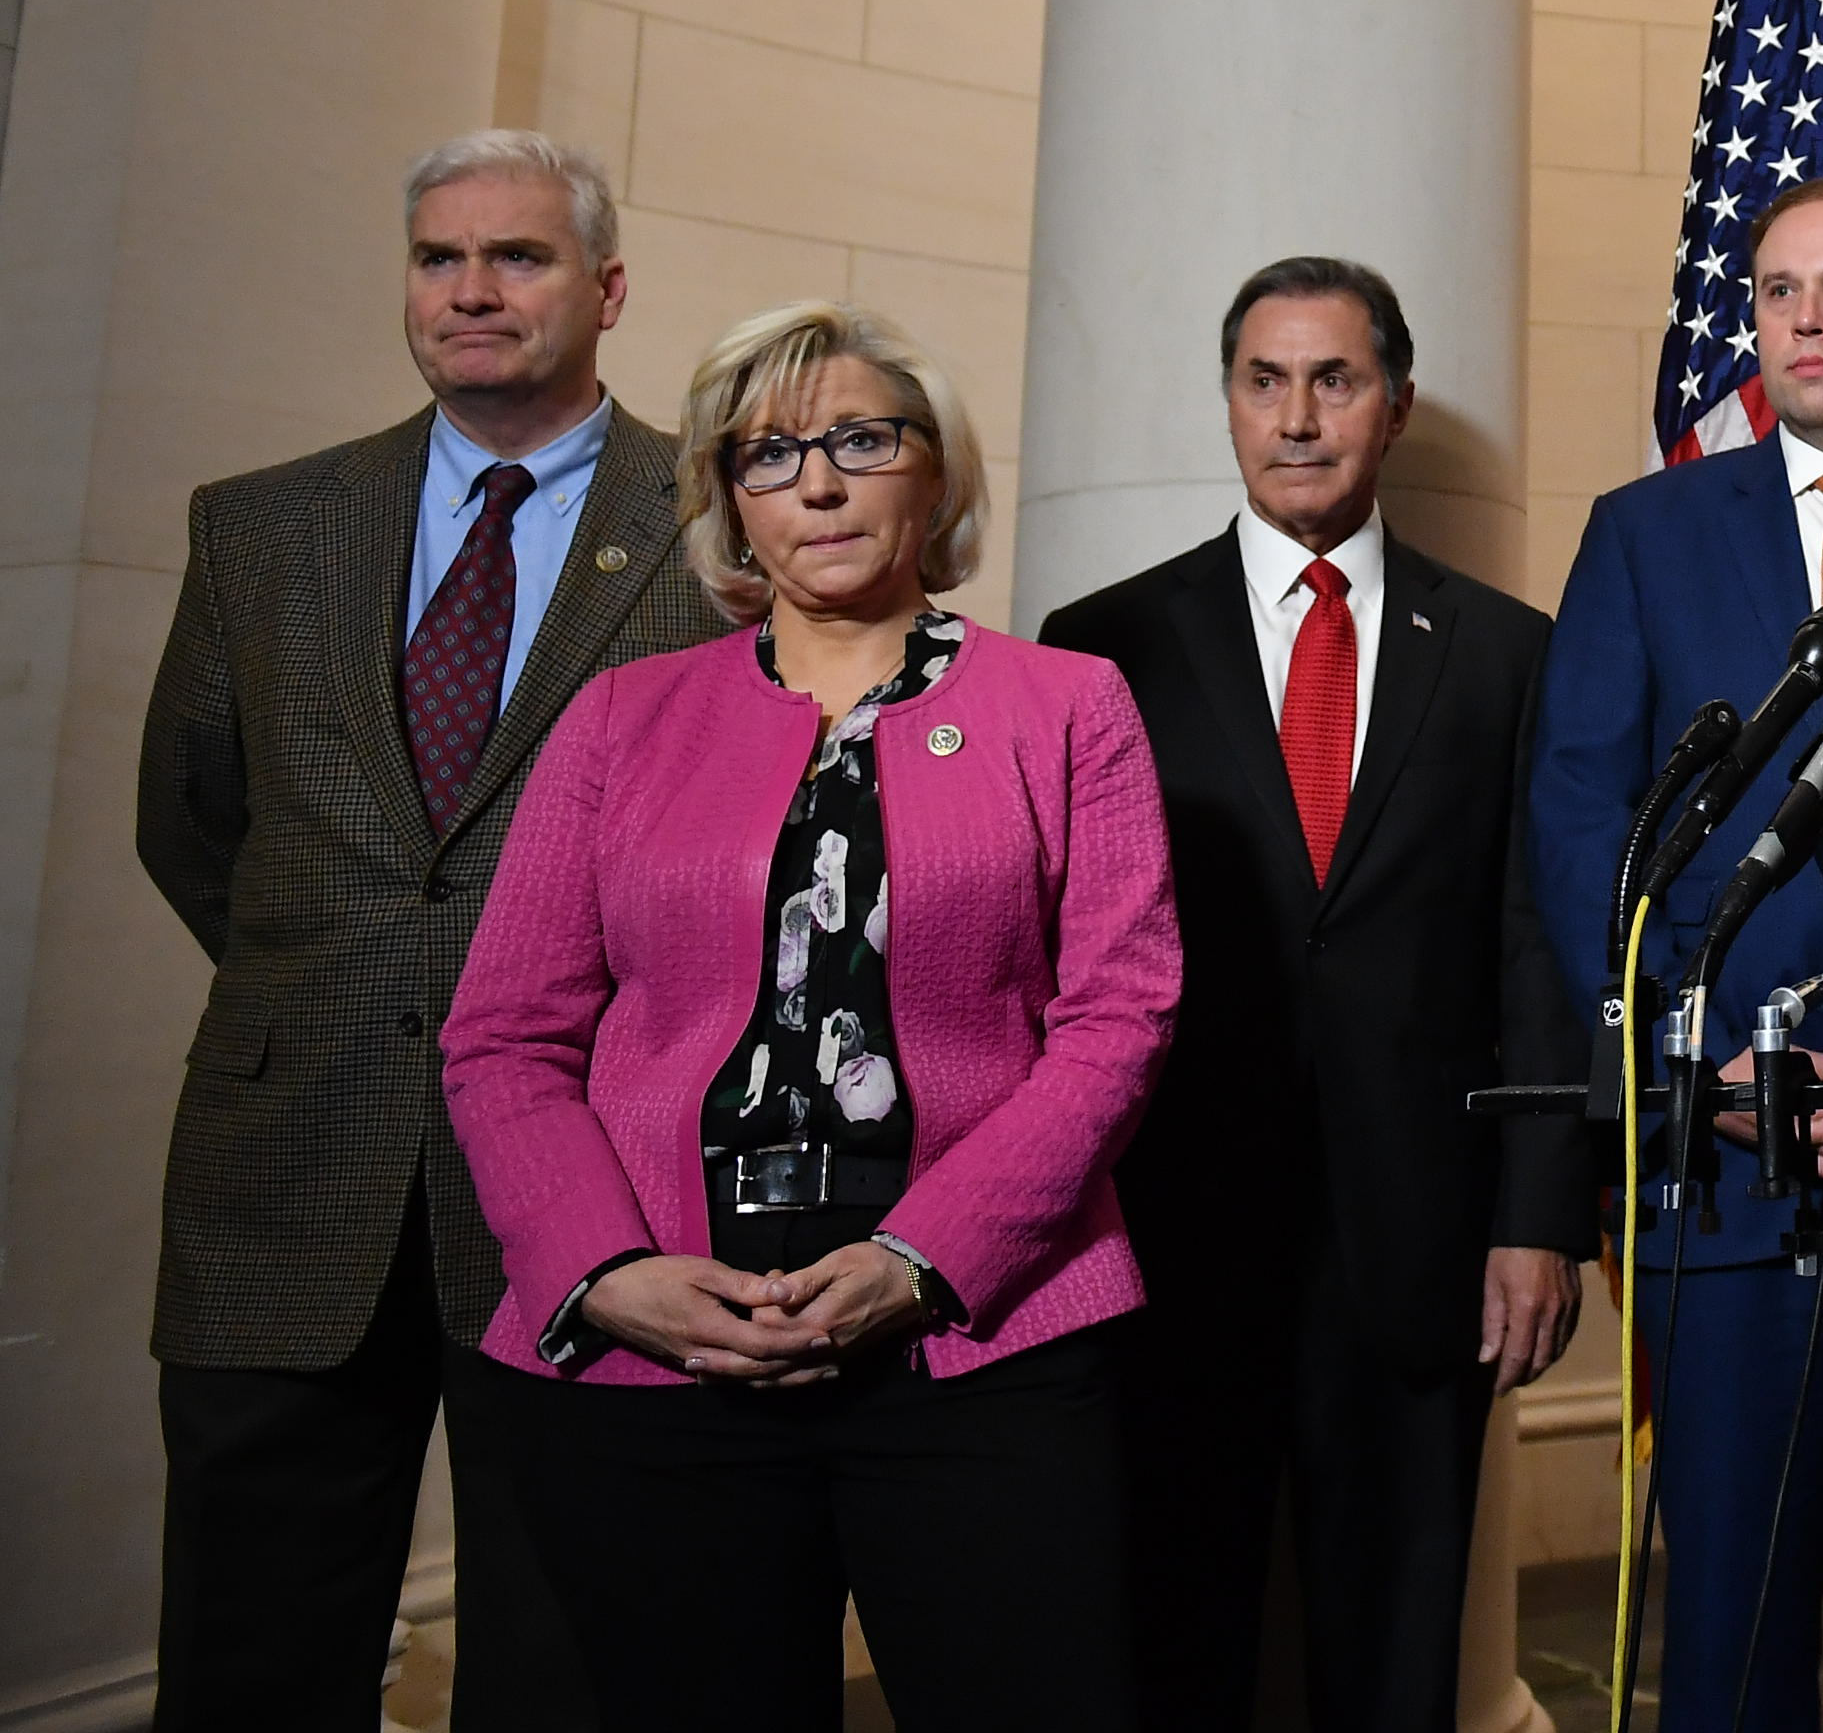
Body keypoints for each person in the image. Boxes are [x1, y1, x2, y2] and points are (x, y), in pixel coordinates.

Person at [437, 301, 1175, 1733]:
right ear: (727, 500)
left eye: (859, 439)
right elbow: (505, 1038)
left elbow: (1120, 1020)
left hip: (985, 1354)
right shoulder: (616, 722)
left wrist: (926, 1259)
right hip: (664, 1359)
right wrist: (603, 1275)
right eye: (768, 456)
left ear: (934, 471)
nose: (819, 484)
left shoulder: (1069, 705)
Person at [136, 127, 725, 1730]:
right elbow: (196, 825)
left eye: (518, 258)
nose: (472, 291)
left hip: (595, 1182)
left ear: (606, 289)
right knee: (252, 1650)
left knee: (573, 1652)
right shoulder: (260, 530)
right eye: (438, 258)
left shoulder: (719, 530)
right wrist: (349, 989)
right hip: (287, 1162)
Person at [1035, 257, 1592, 1733]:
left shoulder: (1508, 654)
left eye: (1334, 380)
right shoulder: (1103, 650)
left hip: (1421, 1238)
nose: (1297, 417)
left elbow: (1541, 944)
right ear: (1227, 402)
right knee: (1171, 1631)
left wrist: (1540, 1213)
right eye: (1265, 381)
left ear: (1394, 405)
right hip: (1164, 1229)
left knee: (1400, 1650)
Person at [1534, 176, 1823, 1733]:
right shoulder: (1648, 535)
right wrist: (1700, 1057)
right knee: (1728, 1614)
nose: (1805, 316)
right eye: (1781, 287)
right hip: (1724, 1164)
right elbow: (1585, 822)